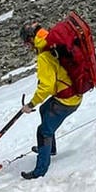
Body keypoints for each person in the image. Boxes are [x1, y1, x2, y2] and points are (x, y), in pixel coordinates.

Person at [17, 20, 82, 180]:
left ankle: (40, 171)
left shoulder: (45, 54)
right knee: (44, 109)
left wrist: (30, 104)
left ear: (32, 39)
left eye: (27, 43)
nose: (27, 46)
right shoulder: (50, 42)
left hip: (67, 100)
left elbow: (46, 86)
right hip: (72, 93)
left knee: (43, 131)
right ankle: (50, 149)